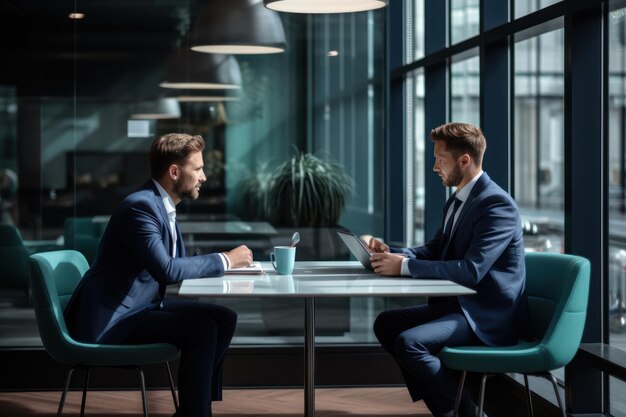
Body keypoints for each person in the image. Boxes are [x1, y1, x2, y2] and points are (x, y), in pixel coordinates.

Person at [64, 133, 253, 417]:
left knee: (224, 318)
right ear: (175, 172)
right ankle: (196, 412)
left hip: (138, 306)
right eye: (198, 168)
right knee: (202, 329)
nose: (203, 177)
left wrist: (224, 265)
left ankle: (197, 406)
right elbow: (167, 270)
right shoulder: (140, 208)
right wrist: (226, 259)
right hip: (113, 321)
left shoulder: (159, 206)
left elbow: (175, 264)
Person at [368, 122, 529, 417]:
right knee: (386, 324)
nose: (434, 167)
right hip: (458, 307)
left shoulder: (496, 205)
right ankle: (449, 407)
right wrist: (392, 253)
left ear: (464, 160)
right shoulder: (459, 201)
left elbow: (471, 271)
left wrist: (404, 268)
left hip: (486, 315)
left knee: (410, 343)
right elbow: (434, 250)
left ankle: (464, 412)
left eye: (440, 159)